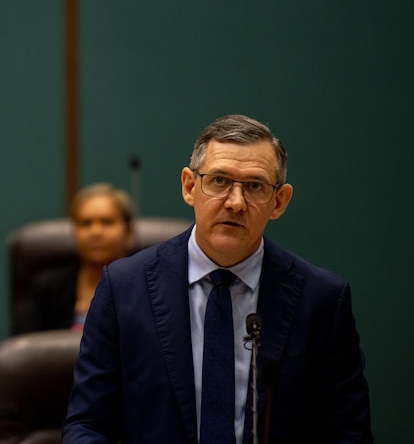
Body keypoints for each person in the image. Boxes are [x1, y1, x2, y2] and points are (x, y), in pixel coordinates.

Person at [62, 115, 371, 443]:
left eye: (254, 186)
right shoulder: (124, 288)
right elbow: (88, 424)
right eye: (219, 180)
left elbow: (348, 433)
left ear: (279, 202)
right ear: (190, 187)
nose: (235, 202)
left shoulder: (321, 299)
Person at [16, 183, 134, 333]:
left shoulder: (148, 286)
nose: (95, 232)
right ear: (74, 232)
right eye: (85, 224)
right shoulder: (48, 288)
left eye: (107, 222)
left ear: (129, 232)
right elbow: (26, 348)